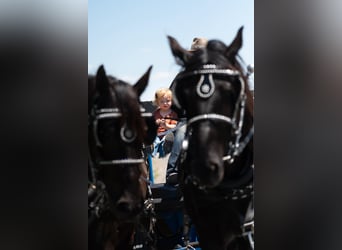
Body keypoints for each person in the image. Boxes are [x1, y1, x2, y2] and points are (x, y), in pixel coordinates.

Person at [165, 37, 208, 184]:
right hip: (187, 119)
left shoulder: (214, 73)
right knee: (181, 135)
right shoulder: (183, 75)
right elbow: (171, 98)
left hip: (212, 118)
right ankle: (172, 171)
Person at [151, 88, 178, 158]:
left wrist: (166, 125)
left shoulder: (173, 114)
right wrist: (156, 123)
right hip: (157, 134)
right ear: (157, 102)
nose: (165, 103)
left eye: (168, 101)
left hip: (168, 134)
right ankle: (152, 156)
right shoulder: (155, 113)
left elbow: (175, 126)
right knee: (155, 141)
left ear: (172, 101)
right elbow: (151, 124)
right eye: (162, 101)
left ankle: (163, 156)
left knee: (165, 141)